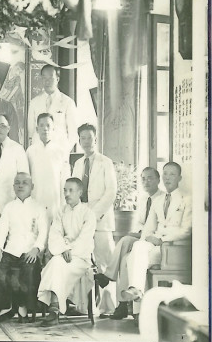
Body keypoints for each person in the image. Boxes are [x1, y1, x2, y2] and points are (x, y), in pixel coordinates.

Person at [118, 162, 192, 307]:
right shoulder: (157, 201)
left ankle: (138, 302)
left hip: (172, 247)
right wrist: (145, 239)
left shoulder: (186, 199)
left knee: (133, 257)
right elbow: (148, 228)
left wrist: (162, 239)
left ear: (179, 178)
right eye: (165, 173)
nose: (167, 177)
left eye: (172, 174)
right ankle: (136, 291)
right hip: (156, 247)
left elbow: (186, 231)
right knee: (138, 247)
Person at [96, 167, 164, 320]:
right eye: (143, 178)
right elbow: (140, 223)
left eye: (150, 178)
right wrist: (139, 233)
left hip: (154, 241)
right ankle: (121, 303)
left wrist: (142, 234)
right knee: (125, 247)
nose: (146, 181)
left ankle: (111, 283)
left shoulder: (162, 199)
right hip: (143, 237)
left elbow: (159, 225)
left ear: (158, 180)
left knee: (126, 247)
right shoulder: (143, 199)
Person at [0, 173, 48, 321]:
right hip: (11, 249)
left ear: (32, 187)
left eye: (24, 183)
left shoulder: (39, 207)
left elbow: (43, 232)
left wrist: (36, 249)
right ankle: (3, 307)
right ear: (13, 186)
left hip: (30, 250)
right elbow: (1, 231)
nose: (20, 185)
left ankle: (23, 306)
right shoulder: (9, 207)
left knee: (29, 268)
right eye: (17, 183)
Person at [37, 178, 96, 326]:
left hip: (81, 257)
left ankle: (54, 309)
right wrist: (64, 249)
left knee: (56, 264)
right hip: (63, 253)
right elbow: (55, 234)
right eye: (65, 190)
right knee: (56, 262)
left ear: (80, 192)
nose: (67, 194)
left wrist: (70, 249)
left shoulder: (88, 213)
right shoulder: (61, 211)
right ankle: (55, 308)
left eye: (71, 190)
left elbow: (85, 239)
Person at [71, 123, 117, 313]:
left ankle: (110, 306)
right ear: (79, 141)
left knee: (105, 262)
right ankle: (83, 306)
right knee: (82, 262)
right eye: (83, 138)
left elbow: (111, 192)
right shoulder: (78, 164)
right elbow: (74, 191)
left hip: (101, 221)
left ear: (95, 139)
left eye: (89, 137)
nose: (86, 141)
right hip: (82, 220)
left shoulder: (105, 162)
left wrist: (94, 215)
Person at [26, 113, 70, 222]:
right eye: (41, 125)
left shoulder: (60, 152)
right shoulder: (30, 151)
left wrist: (63, 205)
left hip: (54, 202)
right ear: (37, 129)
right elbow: (27, 178)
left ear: (53, 128)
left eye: (48, 125)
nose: (45, 129)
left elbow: (64, 181)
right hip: (36, 199)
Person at [27, 65, 78, 153]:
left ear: (57, 79)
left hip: (59, 151)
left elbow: (73, 133)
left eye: (51, 77)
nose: (47, 81)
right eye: (44, 78)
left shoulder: (68, 102)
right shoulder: (34, 102)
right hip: (38, 151)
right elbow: (31, 131)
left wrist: (64, 152)